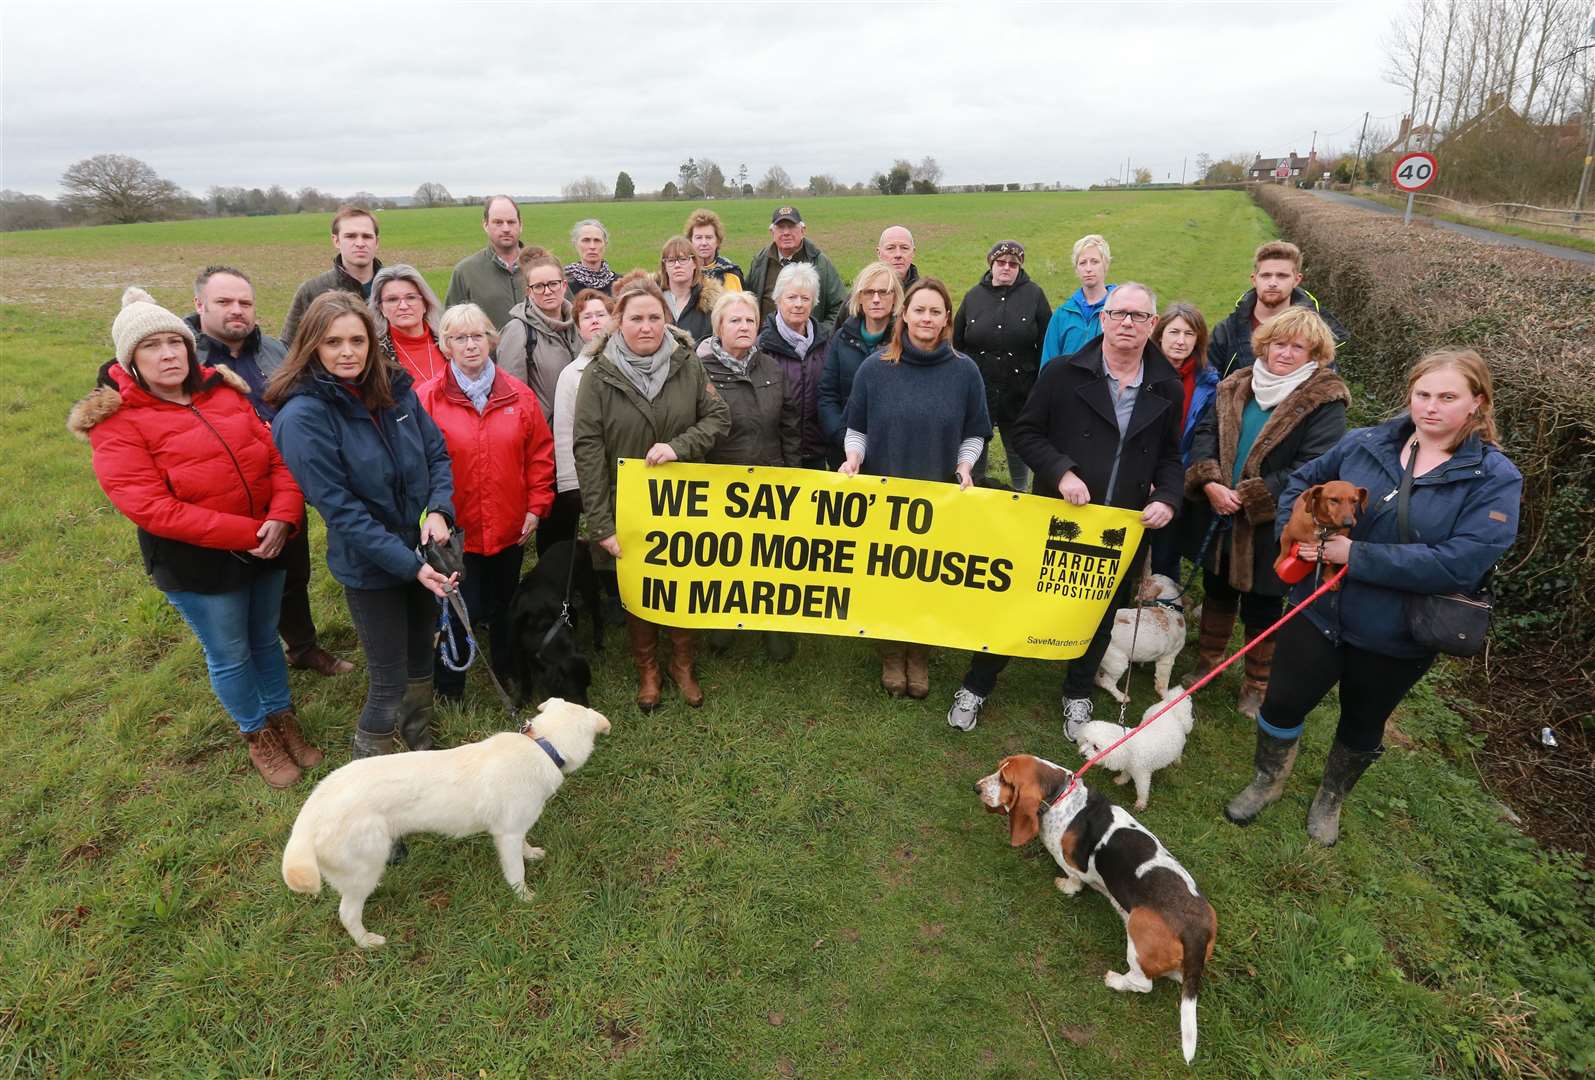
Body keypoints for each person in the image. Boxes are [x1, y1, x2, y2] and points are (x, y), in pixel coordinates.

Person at [1225, 349, 1520, 846]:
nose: (1431, 407)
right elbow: (1302, 484)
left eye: (1448, 397)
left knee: (1363, 722)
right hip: (1317, 611)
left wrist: (1354, 555)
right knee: (1282, 702)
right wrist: (1297, 536)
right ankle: (1266, 780)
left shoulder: (1494, 478)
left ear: (1477, 403)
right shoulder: (1366, 443)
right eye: (1423, 394)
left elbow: (1461, 561)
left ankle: (1330, 800)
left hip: (1397, 632)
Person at [70, 287, 318, 788]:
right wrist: (250, 532)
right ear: (130, 359)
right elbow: (151, 507)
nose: (167, 354)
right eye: (151, 346)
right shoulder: (118, 421)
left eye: (174, 342)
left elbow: (274, 459)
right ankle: (257, 735)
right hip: (198, 563)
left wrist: (284, 516)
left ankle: (282, 718)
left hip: (267, 542)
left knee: (266, 641)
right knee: (229, 650)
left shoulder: (224, 393)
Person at [946, 283, 1182, 733]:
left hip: (1120, 526)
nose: (1127, 323)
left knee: (1101, 611)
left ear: (1152, 325)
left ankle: (1077, 692)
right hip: (1058, 516)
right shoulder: (1061, 372)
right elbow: (1028, 434)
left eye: (1138, 316)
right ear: (1103, 319)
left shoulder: (1166, 386)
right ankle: (977, 683)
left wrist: (1167, 497)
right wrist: (1063, 472)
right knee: (1022, 602)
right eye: (1119, 314)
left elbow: (1170, 456)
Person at [267, 292, 457, 759]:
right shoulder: (302, 418)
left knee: (421, 660)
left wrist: (439, 510)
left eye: (357, 340)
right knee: (388, 679)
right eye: (333, 342)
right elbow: (341, 510)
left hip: (424, 552)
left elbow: (436, 454)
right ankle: (367, 773)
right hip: (372, 569)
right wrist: (407, 565)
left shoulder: (396, 391)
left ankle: (419, 744)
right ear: (312, 346)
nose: (347, 352)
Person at [1181, 308, 1349, 717]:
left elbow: (1316, 465)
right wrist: (1209, 481)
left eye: (1298, 347)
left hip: (1275, 522)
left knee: (1264, 601)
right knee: (1218, 588)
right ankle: (1209, 663)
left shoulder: (1323, 400)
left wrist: (1252, 495)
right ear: (1264, 344)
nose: (1286, 354)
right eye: (1279, 343)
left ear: (1315, 353)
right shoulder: (1236, 385)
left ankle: (1257, 683)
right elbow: (1205, 434)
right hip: (1220, 510)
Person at [187, 265, 353, 678]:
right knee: (236, 588)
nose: (236, 311)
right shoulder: (187, 360)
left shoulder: (275, 351)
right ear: (199, 305)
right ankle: (246, 664)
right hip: (222, 496)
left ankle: (301, 646)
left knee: (291, 573)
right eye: (224, 302)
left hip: (285, 483)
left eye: (245, 302)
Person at [571, 281, 730, 711]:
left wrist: (681, 446)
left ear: (667, 321)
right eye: (636, 318)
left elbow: (718, 417)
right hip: (630, 505)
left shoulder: (688, 365)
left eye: (654, 317)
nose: (646, 326)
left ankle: (682, 663)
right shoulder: (598, 374)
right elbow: (586, 448)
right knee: (639, 586)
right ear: (619, 323)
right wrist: (601, 522)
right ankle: (648, 669)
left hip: (683, 504)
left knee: (682, 582)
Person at [839, 277, 991, 701]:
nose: (926, 318)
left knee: (927, 576)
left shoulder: (965, 371)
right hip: (885, 495)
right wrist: (854, 458)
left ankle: (919, 652)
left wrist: (965, 465)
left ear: (947, 319)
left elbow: (976, 432)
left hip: (938, 498)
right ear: (904, 314)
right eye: (919, 309)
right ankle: (890, 651)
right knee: (887, 574)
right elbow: (857, 427)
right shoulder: (875, 368)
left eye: (935, 311)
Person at [416, 304, 555, 704]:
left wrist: (536, 506)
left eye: (477, 336)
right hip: (455, 532)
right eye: (459, 338)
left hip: (510, 524)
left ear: (491, 340)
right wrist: (429, 515)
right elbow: (416, 464)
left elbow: (540, 455)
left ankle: (506, 666)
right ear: (445, 346)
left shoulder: (519, 395)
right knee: (459, 607)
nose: (470, 345)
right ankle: (450, 686)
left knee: (503, 602)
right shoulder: (427, 398)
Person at [699, 289, 802, 661]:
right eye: (735, 320)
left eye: (750, 321)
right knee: (726, 557)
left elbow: (789, 425)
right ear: (719, 326)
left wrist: (793, 475)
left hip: (771, 478)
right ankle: (725, 621)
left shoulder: (771, 369)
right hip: (722, 481)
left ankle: (771, 624)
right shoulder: (700, 370)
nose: (744, 327)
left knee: (769, 558)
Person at [953, 240, 1053, 492]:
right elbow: (957, 343)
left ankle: (1021, 492)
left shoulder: (1035, 296)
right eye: (1001, 263)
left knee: (1017, 444)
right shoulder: (973, 296)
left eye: (1013, 264)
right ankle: (973, 488)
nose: (1006, 268)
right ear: (991, 264)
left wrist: (1040, 385)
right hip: (979, 386)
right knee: (976, 441)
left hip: (1019, 388)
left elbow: (1046, 343)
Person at [1147, 302, 1217, 581]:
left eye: (1189, 334)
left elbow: (1204, 436)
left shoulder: (1209, 384)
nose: (1180, 341)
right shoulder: (1141, 371)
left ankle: (1165, 606)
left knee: (1166, 553)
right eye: (1174, 332)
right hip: (1137, 473)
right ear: (1159, 334)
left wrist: (1175, 481)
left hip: (1178, 476)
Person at [1208, 240, 1347, 377]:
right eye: (1266, 275)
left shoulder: (1318, 333)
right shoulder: (1226, 331)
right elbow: (1207, 384)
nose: (1273, 283)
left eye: (1282, 276)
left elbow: (1326, 388)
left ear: (1296, 280)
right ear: (1254, 279)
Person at [545, 289, 615, 553]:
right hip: (591, 475)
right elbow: (564, 432)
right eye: (587, 317)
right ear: (578, 327)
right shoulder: (571, 374)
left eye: (601, 314)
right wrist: (571, 484)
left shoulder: (632, 363)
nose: (595, 321)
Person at [818, 261, 902, 466]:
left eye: (883, 292)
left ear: (895, 298)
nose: (875, 299)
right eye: (868, 292)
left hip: (892, 453)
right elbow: (827, 394)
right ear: (858, 297)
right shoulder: (841, 338)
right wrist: (842, 437)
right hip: (844, 452)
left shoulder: (905, 342)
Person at [756, 263, 831, 470]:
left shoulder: (827, 345)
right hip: (775, 458)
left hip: (817, 455)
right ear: (778, 299)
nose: (798, 304)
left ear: (813, 303)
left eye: (805, 298)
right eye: (791, 297)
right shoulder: (761, 347)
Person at [497, 250, 582, 423]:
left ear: (564, 286)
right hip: (545, 437)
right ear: (529, 292)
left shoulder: (580, 325)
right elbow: (512, 397)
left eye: (553, 284)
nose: (547, 291)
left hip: (585, 431)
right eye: (539, 286)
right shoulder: (518, 330)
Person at [281, 204, 382, 345]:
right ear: (336, 241)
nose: (360, 243)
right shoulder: (312, 291)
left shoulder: (395, 289)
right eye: (351, 236)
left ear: (376, 242)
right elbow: (288, 348)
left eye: (367, 236)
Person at [744, 205, 846, 328]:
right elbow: (747, 302)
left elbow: (840, 307)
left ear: (803, 231)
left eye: (791, 227)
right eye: (781, 227)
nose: (786, 232)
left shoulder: (820, 263)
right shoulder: (760, 262)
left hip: (807, 343)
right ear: (772, 233)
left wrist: (820, 336)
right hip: (766, 342)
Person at [443, 195, 526, 330]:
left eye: (511, 222)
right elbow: (450, 328)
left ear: (520, 224)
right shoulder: (465, 272)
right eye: (498, 222)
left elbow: (568, 315)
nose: (506, 228)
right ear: (485, 225)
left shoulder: (543, 266)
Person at [1039, 233, 1115, 367]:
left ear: (1105, 265)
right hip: (1068, 386)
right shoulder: (1062, 315)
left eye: (1095, 261)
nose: (1088, 269)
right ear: (1076, 269)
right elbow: (1048, 364)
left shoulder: (1118, 311)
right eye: (1082, 263)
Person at [369, 264, 447, 384]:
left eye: (411, 297)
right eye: (392, 300)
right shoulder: (373, 353)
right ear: (382, 309)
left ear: (425, 303)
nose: (403, 306)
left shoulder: (449, 341)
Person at [655, 235, 723, 345]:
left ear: (695, 263)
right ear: (665, 266)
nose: (677, 265)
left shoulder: (713, 305)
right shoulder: (652, 300)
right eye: (671, 260)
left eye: (683, 259)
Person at [685, 208, 744, 291]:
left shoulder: (731, 273)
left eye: (709, 237)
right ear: (691, 241)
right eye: (698, 238)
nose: (704, 243)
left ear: (718, 241)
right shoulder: (683, 273)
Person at [564, 219, 619, 295]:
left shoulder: (619, 284)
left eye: (597, 240)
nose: (592, 246)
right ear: (575, 244)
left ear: (605, 244)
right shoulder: (564, 284)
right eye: (586, 240)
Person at [877, 225, 920, 289]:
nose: (898, 255)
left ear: (913, 252)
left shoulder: (924, 293)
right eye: (890, 248)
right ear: (879, 253)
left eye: (904, 248)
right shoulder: (865, 292)